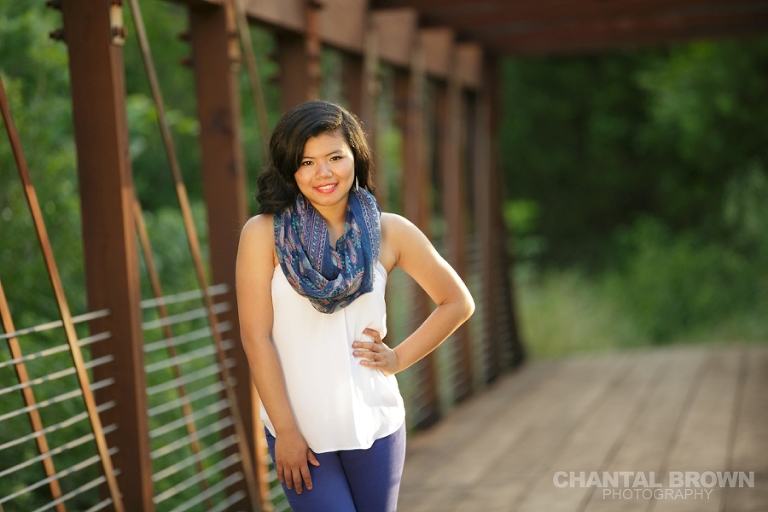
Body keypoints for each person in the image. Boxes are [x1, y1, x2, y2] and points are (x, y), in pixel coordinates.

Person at [236, 100, 474, 512]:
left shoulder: (390, 231)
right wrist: (286, 432)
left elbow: (457, 302)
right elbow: (255, 338)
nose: (323, 173)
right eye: (307, 161)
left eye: (334, 157)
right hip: (301, 432)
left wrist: (397, 358)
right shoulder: (262, 235)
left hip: (375, 423)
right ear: (289, 168)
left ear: (356, 158)